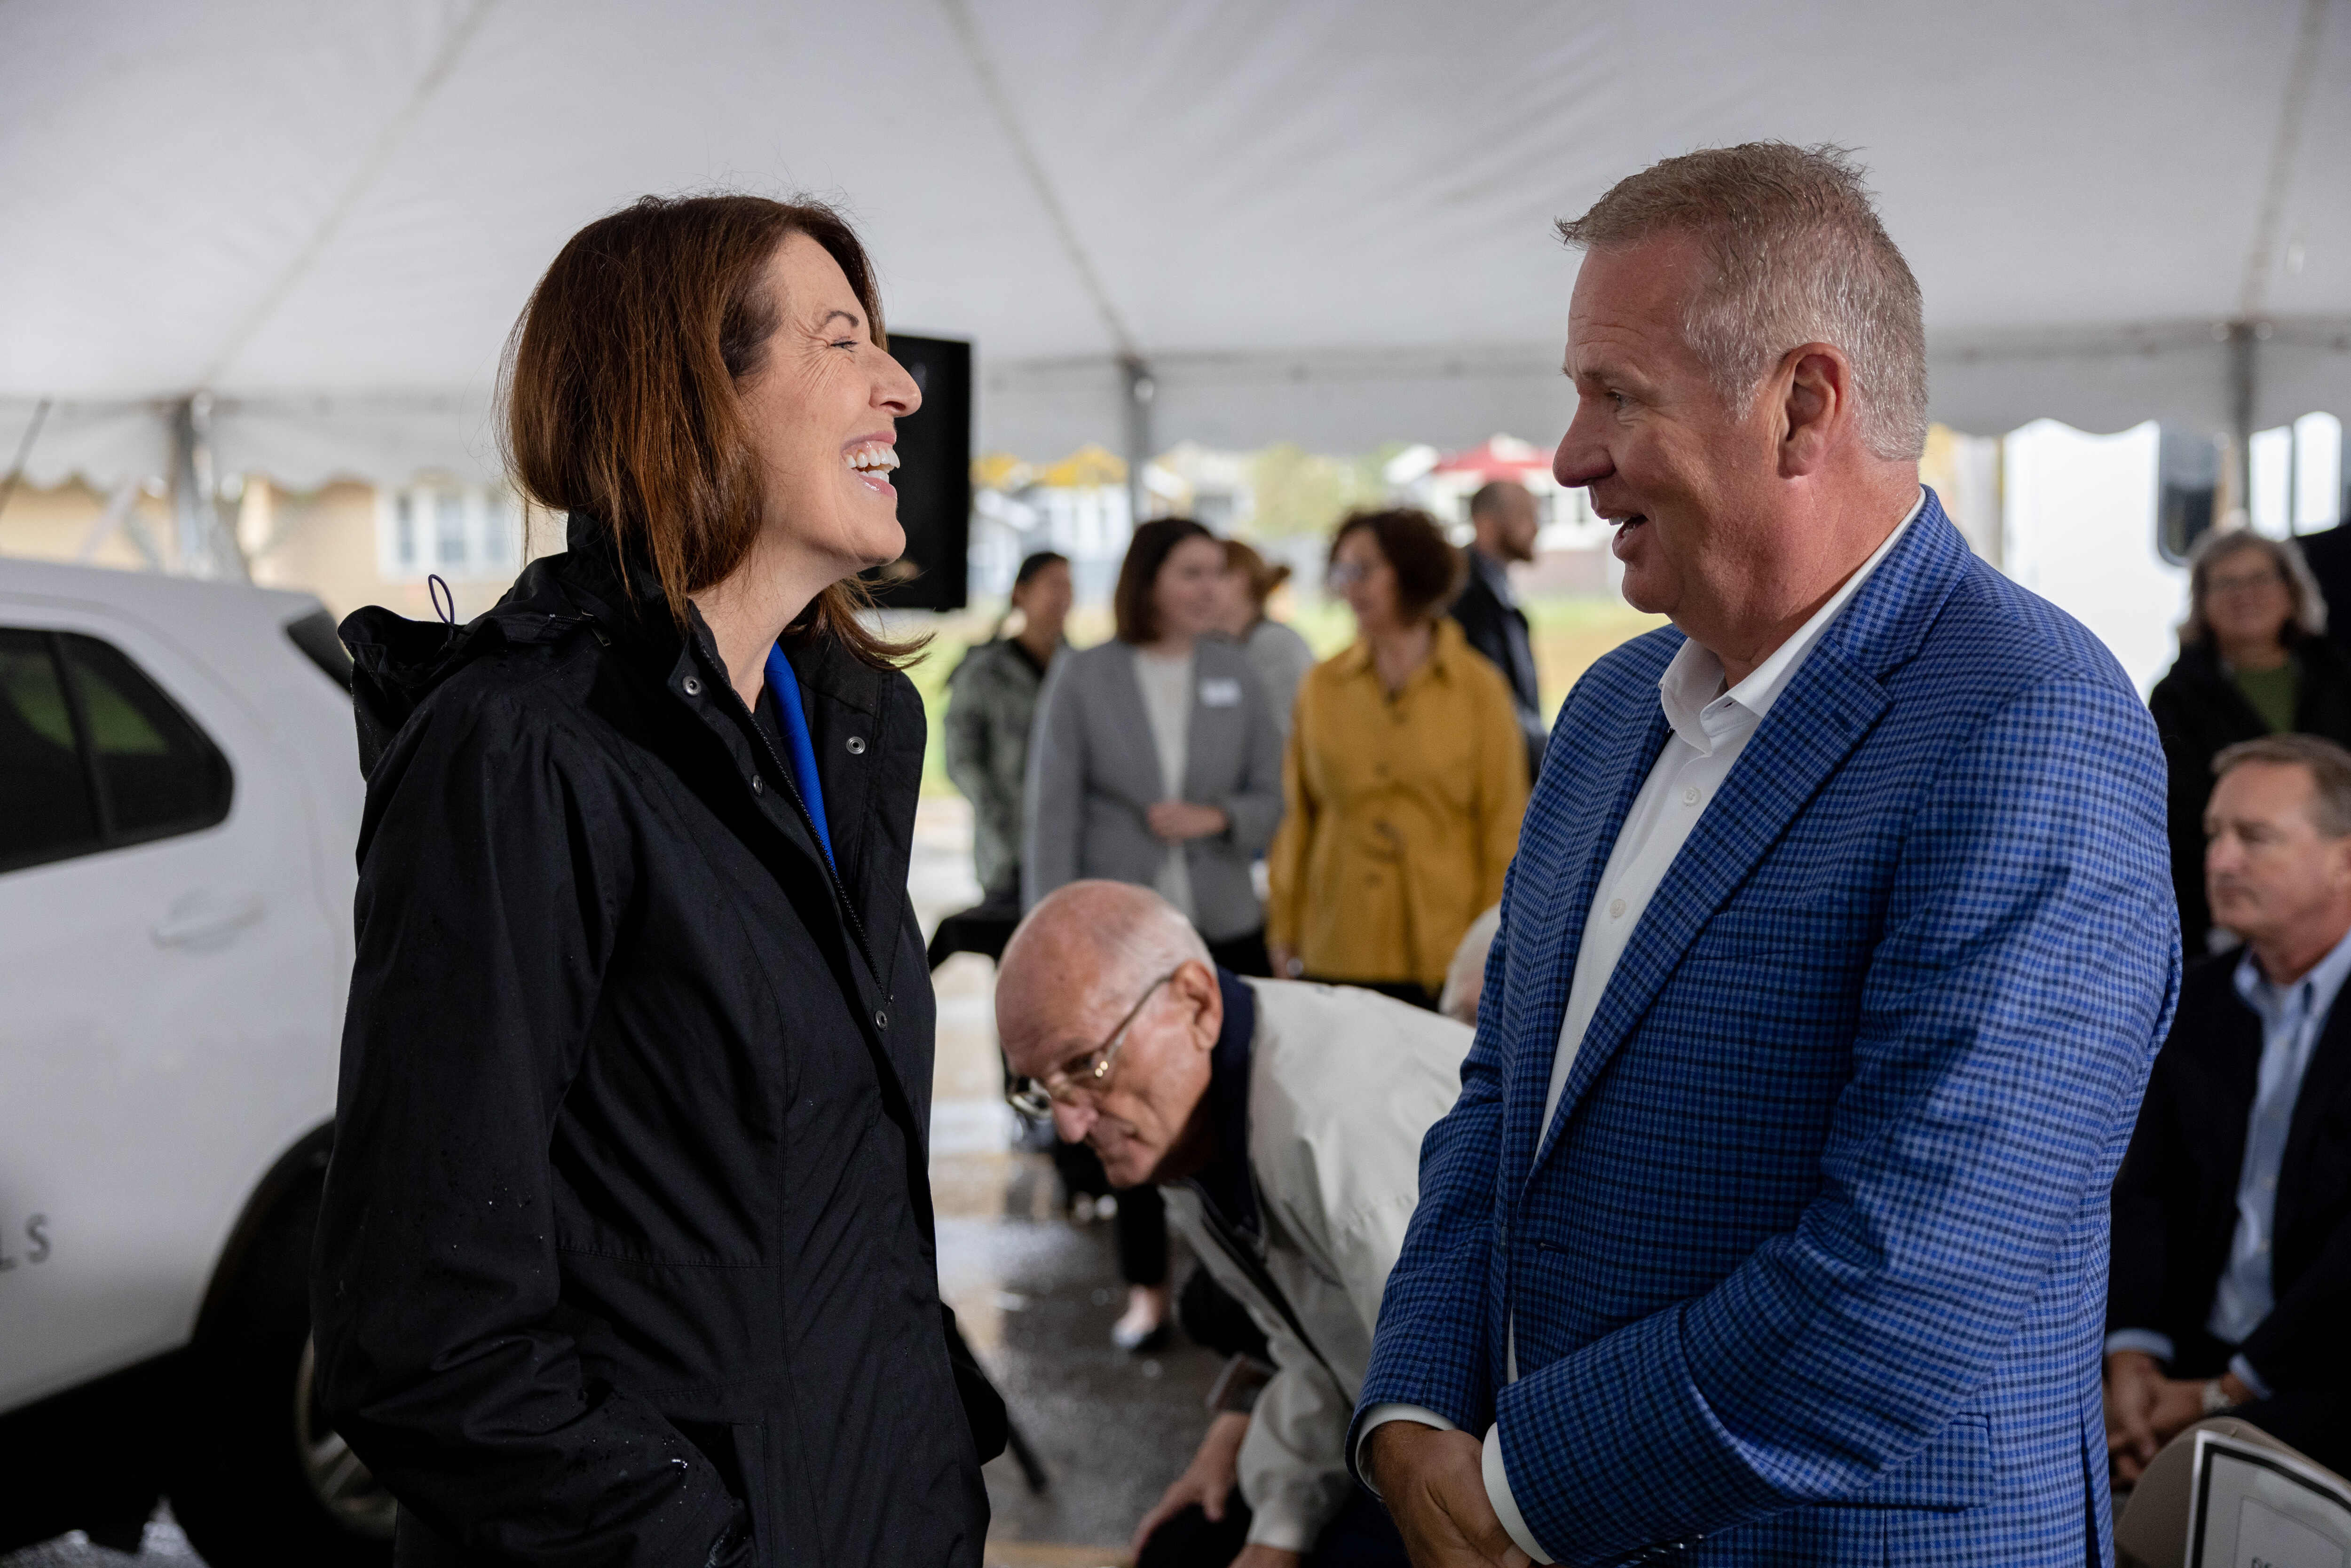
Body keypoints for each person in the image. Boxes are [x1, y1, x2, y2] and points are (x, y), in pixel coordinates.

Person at [1354, 143, 2178, 1568]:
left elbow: (1898, 1292)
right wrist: (1416, 1402)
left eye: (1615, 394)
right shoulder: (1616, 706)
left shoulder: (2029, 724)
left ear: (1803, 404)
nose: (1567, 457)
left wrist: (1512, 1494)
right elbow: (1500, 1094)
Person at [312, 195, 997, 1568]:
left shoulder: (843, 727)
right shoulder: (519, 754)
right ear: (693, 394)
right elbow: (427, 1340)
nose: (903, 385)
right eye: (842, 338)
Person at [996, 880, 1467, 1568]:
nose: (1070, 1125)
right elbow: (1320, 1347)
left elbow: (1457, 1409)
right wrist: (1277, 1530)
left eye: (1086, 1065)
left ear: (1196, 1001)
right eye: (1042, 1089)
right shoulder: (1191, 1121)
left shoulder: (1336, 1127)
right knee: (1181, 1546)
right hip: (1402, 1424)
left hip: (1493, 1463)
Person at [1026, 516, 1286, 1349]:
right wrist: (1049, 935)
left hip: (1220, 930)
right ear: (1148, 584)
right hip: (1119, 942)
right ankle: (1145, 1289)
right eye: (1193, 574)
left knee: (1234, 1114)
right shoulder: (1086, 677)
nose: (1213, 588)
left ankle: (1244, 1293)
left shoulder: (1236, 674)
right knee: (1125, 1114)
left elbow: (1275, 798)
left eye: (1217, 573)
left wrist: (1218, 817)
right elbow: (1052, 813)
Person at [2107, 734, 2351, 1480]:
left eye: (2256, 837)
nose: (2220, 861)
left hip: (2325, 1375)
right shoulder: (2194, 996)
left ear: (2345, 857)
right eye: (2214, 833)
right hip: (2186, 1363)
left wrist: (2227, 1392)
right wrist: (2132, 1359)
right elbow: (2140, 1188)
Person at [1266, 508, 1528, 1009]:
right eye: (1340, 570)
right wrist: (1282, 929)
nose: (1348, 586)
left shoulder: (1479, 688)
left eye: (1362, 569)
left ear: (1411, 571)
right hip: (1337, 941)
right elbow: (1298, 816)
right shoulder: (1321, 685)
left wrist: (1495, 943)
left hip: (1446, 948)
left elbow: (1504, 826)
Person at [2150, 530, 2351, 954]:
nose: (2246, 594)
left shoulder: (2340, 675)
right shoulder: (2176, 698)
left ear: (2291, 589)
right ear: (2202, 602)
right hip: (2230, 920)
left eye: (2260, 579)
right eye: (2227, 583)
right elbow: (2176, 825)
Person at [943, 549, 1073, 911]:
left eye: (1068, 586)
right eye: (1053, 585)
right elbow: (961, 757)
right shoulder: (985, 672)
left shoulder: (1080, 672)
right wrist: (998, 820)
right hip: (1007, 856)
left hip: (1072, 850)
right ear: (1021, 593)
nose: (1063, 596)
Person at [1450, 480, 1548, 779]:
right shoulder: (1465, 596)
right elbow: (1493, 704)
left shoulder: (1491, 588)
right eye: (1525, 515)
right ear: (1486, 524)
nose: (1536, 527)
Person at [1217, 536, 1318, 735]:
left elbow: (1289, 737)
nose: (1199, 590)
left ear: (1239, 580)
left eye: (1211, 575)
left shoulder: (1276, 645)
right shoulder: (1220, 643)